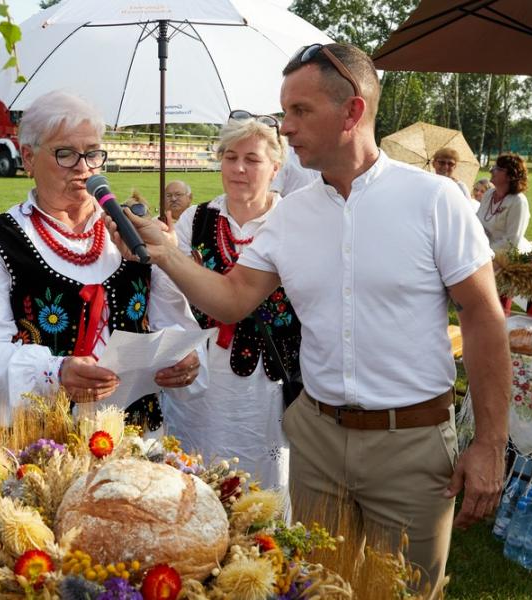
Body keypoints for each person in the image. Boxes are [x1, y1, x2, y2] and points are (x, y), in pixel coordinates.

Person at [108, 43, 510, 593]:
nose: (286, 127)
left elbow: (483, 317)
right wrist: (166, 253)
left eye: (300, 110)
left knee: (404, 591)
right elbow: (232, 299)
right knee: (318, 585)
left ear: (352, 112)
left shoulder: (435, 200)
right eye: (284, 111)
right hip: (315, 441)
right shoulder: (289, 215)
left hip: (411, 444)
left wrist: (489, 442)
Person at [0, 90, 203, 430]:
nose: (84, 168)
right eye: (65, 154)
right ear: (28, 158)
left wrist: (183, 359)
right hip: (34, 443)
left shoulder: (135, 231)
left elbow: (173, 324)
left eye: (93, 153)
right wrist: (55, 373)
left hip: (130, 435)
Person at [162, 111, 299, 491]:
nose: (239, 168)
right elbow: (170, 296)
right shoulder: (196, 218)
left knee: (263, 491)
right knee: (197, 482)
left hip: (269, 385)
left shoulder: (295, 219)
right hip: (203, 382)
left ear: (275, 168)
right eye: (230, 157)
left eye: (252, 159)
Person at [476, 153, 532, 255]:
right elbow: (476, 222)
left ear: (510, 176)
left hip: (504, 257)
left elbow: (511, 242)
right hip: (481, 251)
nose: (491, 170)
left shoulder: (518, 202)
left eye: (497, 168)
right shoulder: (489, 194)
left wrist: (484, 250)